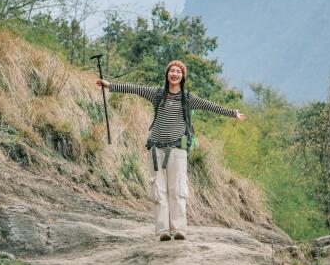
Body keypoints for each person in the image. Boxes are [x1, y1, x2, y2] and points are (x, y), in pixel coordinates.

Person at [96, 59, 246, 241]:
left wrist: (232, 113)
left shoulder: (187, 98)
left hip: (178, 149)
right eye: (172, 71)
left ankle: (179, 229)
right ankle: (163, 230)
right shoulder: (157, 94)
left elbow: (210, 105)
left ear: (182, 77)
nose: (174, 74)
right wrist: (109, 85)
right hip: (156, 149)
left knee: (178, 189)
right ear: (167, 74)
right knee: (159, 190)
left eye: (178, 72)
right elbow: (134, 88)